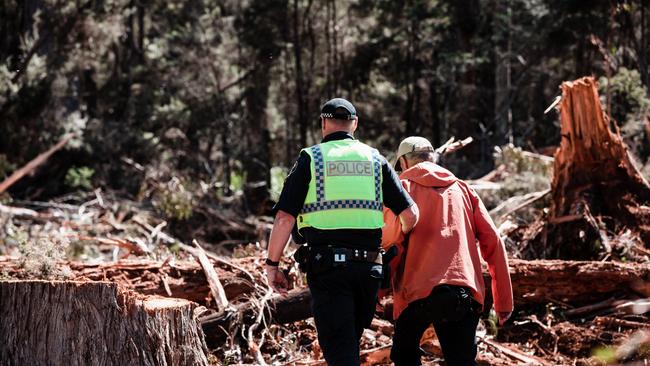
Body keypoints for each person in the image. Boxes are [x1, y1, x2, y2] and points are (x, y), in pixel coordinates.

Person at [264, 98, 419, 366]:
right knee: (347, 348)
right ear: (354, 124)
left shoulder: (312, 158)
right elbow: (410, 215)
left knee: (341, 353)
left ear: (323, 123)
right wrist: (400, 240)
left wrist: (272, 265)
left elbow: (284, 218)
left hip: (329, 272)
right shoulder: (375, 159)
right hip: (369, 272)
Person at [382, 136, 513, 366]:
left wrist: (380, 290)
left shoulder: (402, 189)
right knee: (461, 361)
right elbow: (493, 241)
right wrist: (504, 302)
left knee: (404, 356)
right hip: (462, 291)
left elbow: (391, 244)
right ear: (432, 158)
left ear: (403, 162)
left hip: (415, 294)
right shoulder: (463, 189)